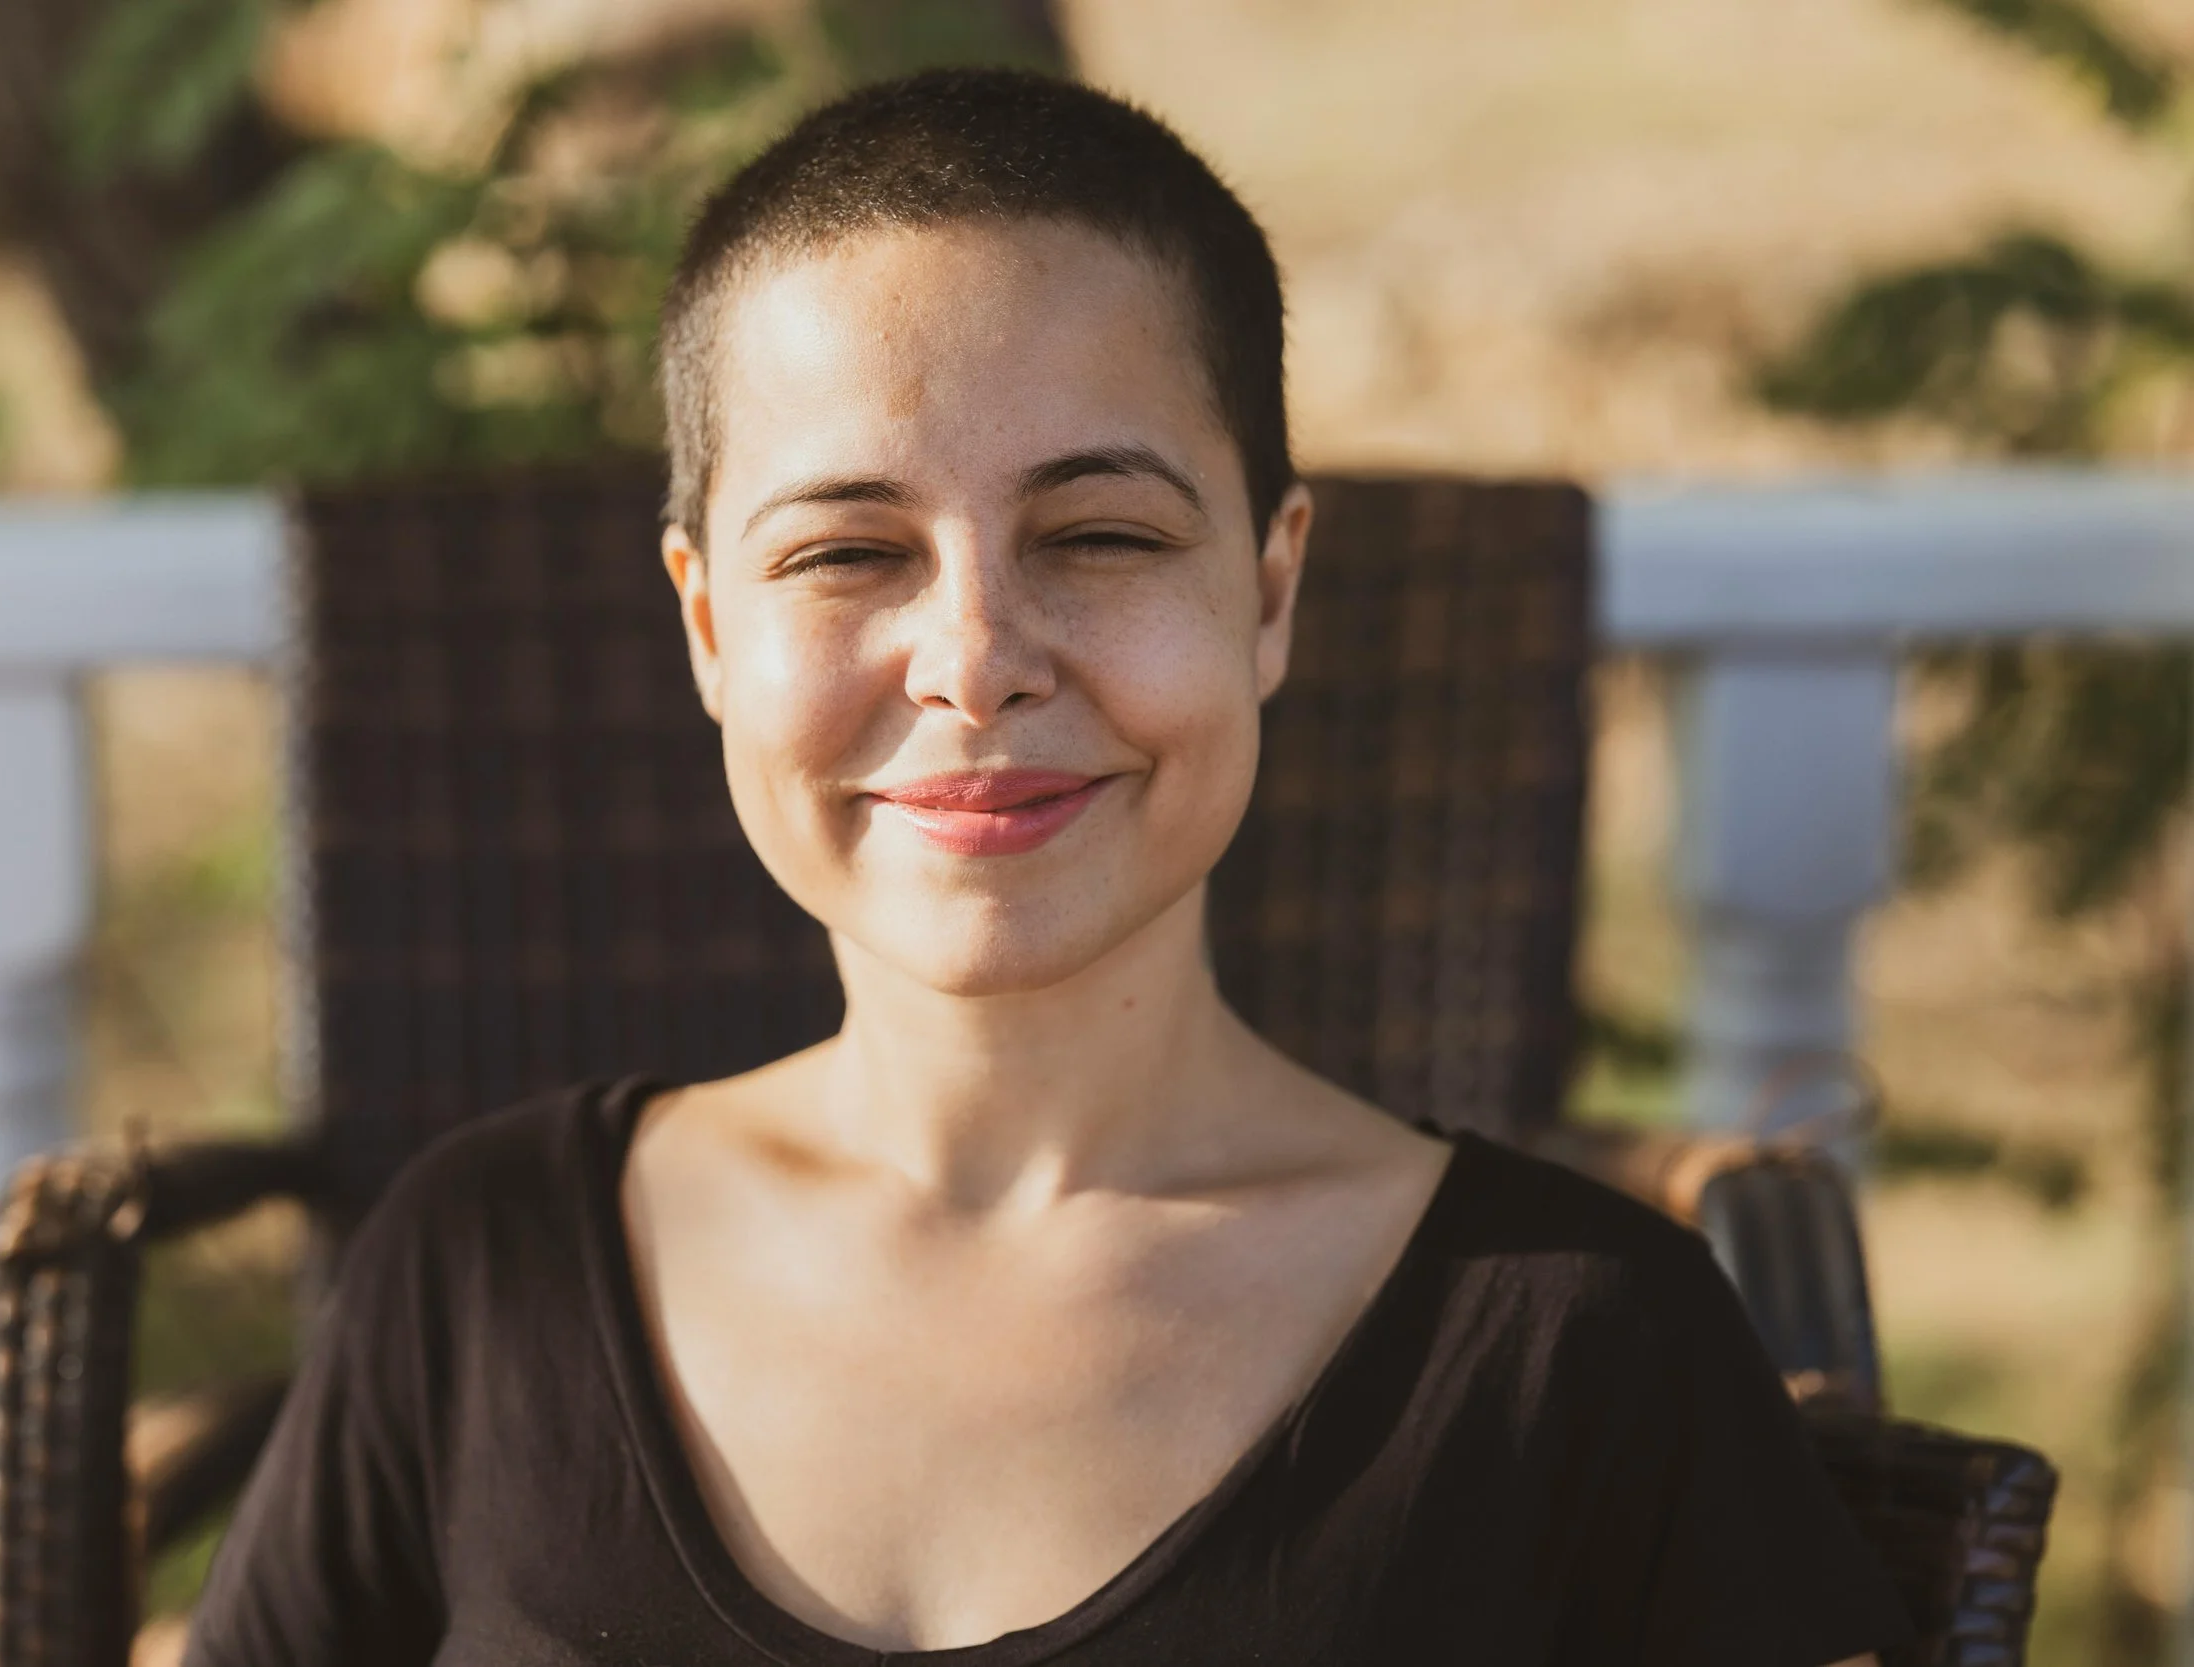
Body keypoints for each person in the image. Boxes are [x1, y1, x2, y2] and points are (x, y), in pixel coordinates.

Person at [185, 68, 1910, 1667]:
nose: (976, 656)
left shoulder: (1581, 1342)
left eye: (1099, 535)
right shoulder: (486, 1268)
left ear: (1270, 591)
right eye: (850, 549)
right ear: (709, 625)